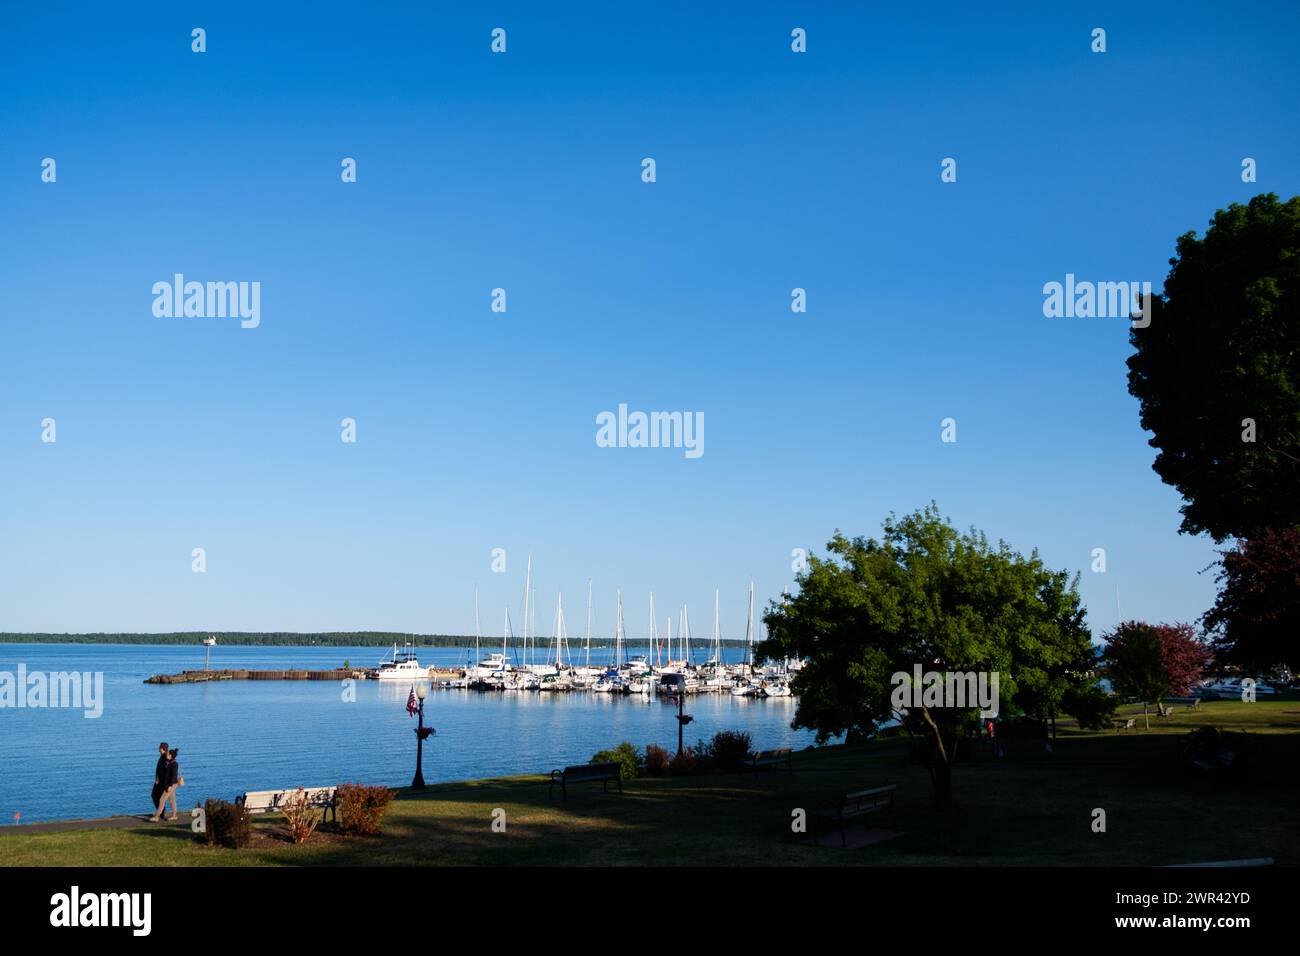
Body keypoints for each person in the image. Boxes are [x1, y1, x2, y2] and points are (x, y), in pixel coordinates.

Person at [151, 748, 182, 822]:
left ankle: (156, 817)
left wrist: (170, 786)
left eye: (168, 754)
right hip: (169, 785)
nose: (166, 755)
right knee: (172, 800)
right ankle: (174, 816)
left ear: (171, 755)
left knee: (162, 800)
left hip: (170, 785)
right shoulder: (169, 762)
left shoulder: (174, 764)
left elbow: (174, 776)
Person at [149, 741, 168, 816]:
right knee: (158, 796)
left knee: (156, 796)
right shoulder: (163, 756)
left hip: (160, 781)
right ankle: (161, 812)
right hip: (159, 780)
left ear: (162, 748)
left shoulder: (164, 757)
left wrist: (158, 779)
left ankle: (161, 812)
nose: (158, 748)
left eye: (159, 747)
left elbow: (162, 770)